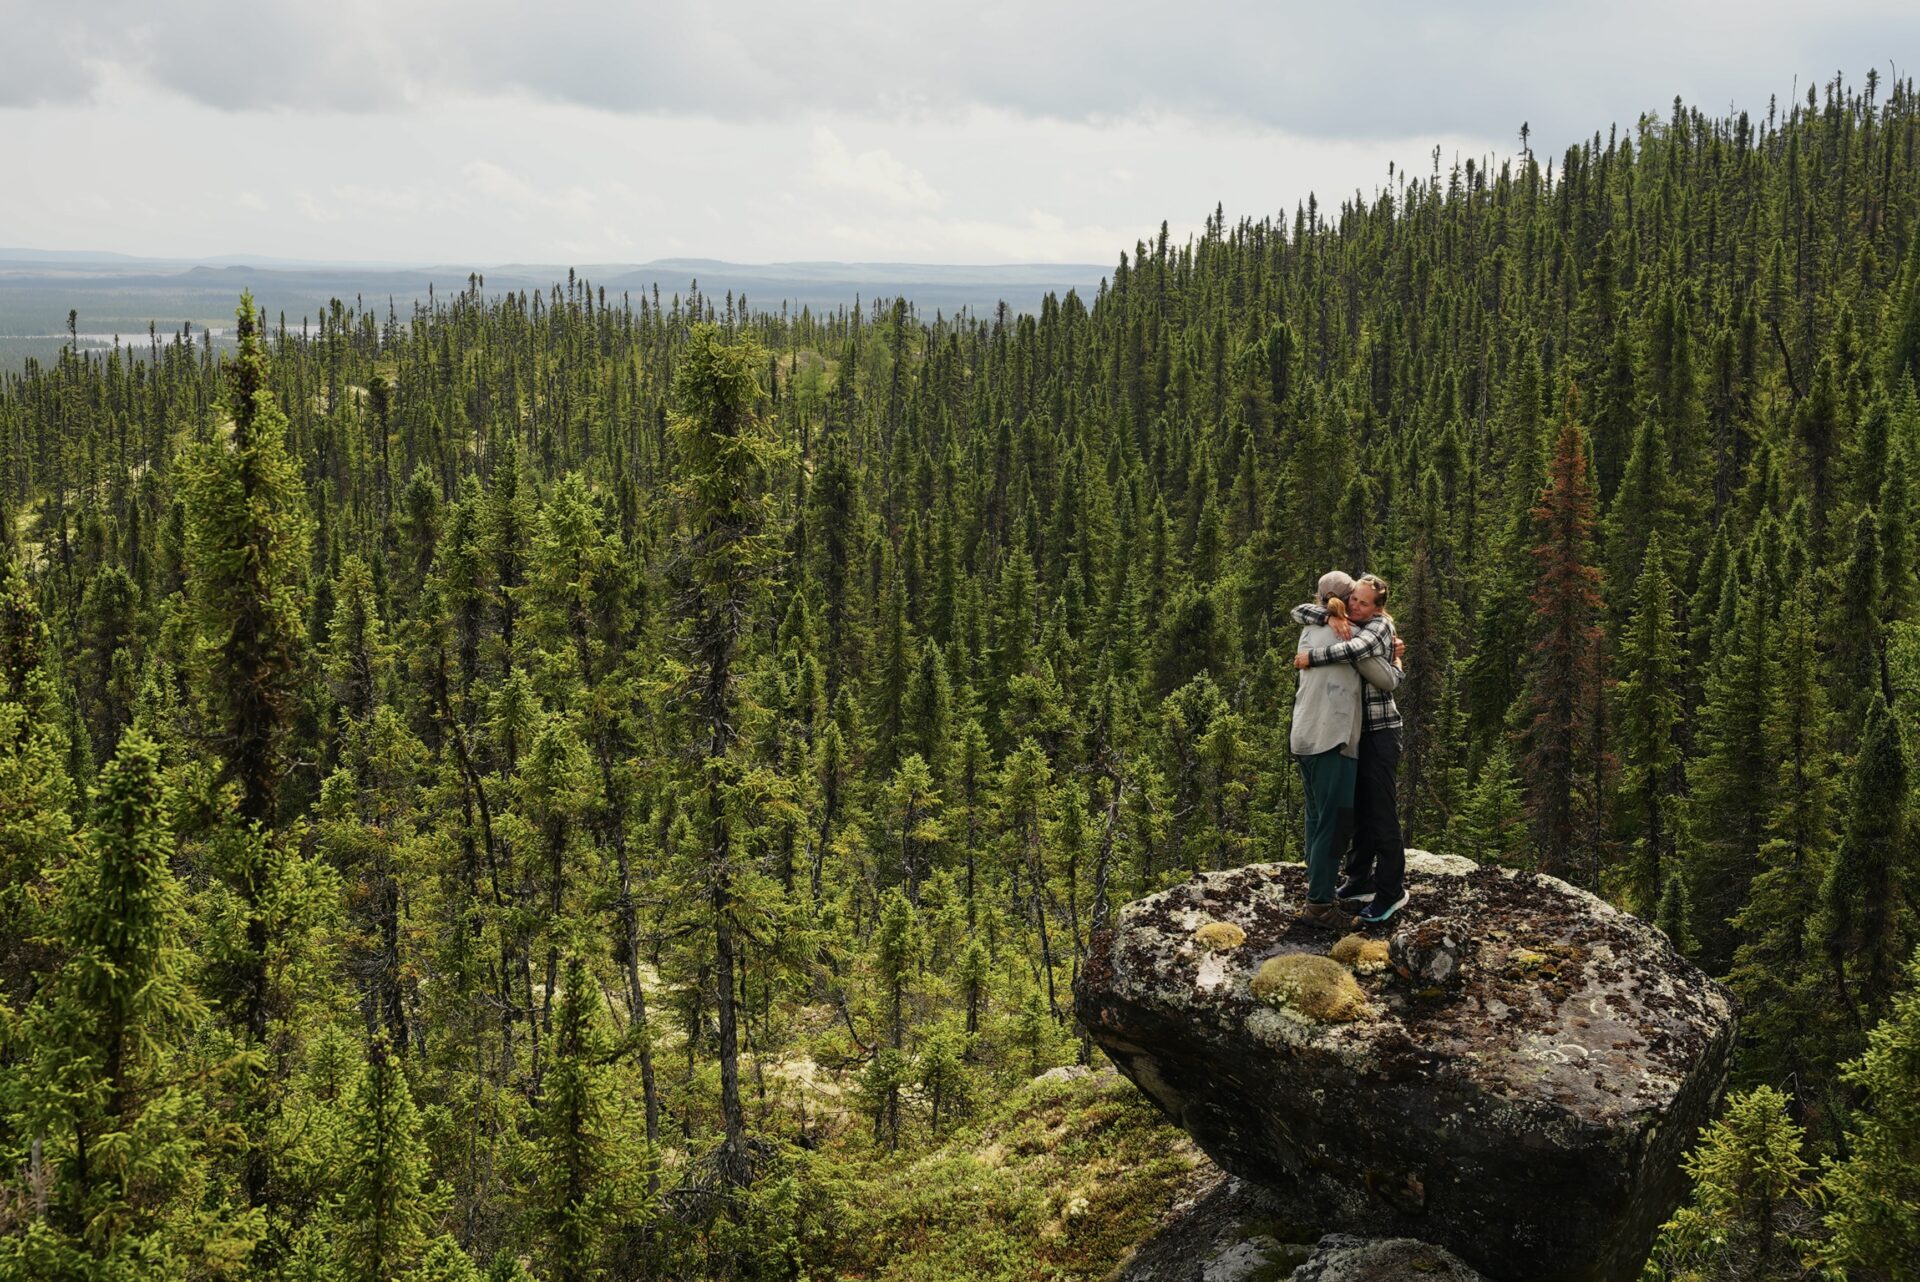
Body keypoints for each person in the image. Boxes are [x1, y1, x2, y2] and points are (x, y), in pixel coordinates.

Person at [1292, 573, 1408, 926]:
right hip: (1345, 737)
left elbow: (1388, 678)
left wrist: (1312, 657)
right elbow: (1300, 610)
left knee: (1374, 813)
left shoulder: (1361, 632)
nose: (1357, 605)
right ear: (1341, 601)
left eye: (1364, 601)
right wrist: (1331, 616)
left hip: (1373, 733)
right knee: (1347, 815)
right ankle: (1351, 884)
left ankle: (1387, 891)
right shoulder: (1334, 624)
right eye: (1352, 599)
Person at [1289, 570, 1368, 928]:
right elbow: (1383, 675)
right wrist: (1395, 655)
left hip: (1303, 736)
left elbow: (1300, 610)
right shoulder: (1351, 634)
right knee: (1333, 824)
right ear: (1346, 600)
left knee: (1316, 817)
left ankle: (1316, 888)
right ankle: (1319, 904)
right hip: (1331, 738)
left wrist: (1325, 612)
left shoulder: (1309, 628)